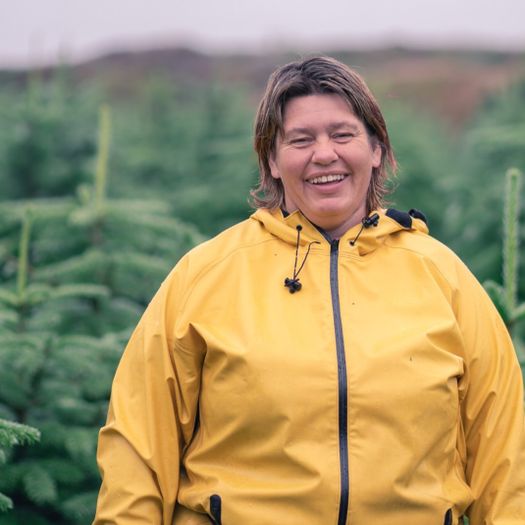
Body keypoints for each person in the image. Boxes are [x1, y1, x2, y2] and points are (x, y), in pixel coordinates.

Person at [93, 56, 525, 525]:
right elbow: (138, 445)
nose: (324, 154)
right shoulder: (206, 275)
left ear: (376, 149)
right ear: (272, 161)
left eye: (343, 134)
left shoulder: (443, 276)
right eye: (300, 140)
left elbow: (504, 452)